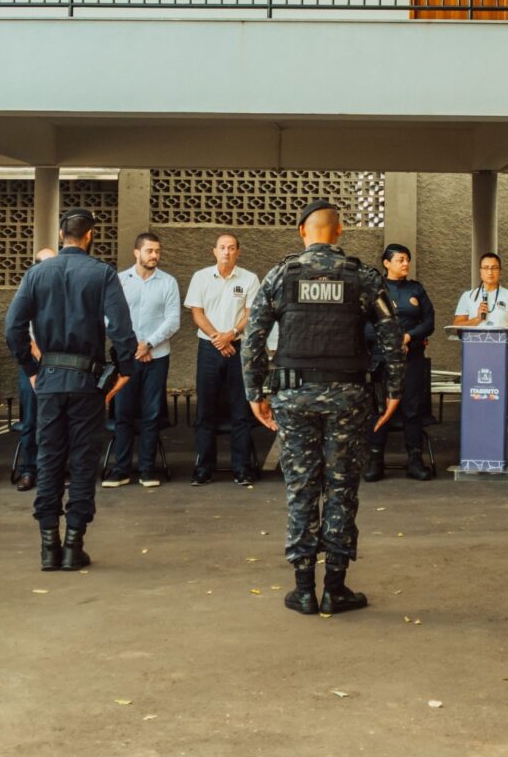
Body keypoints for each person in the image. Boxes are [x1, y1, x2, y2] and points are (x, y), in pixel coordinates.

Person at [242, 200, 403, 616]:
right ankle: (335, 587)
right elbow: (392, 336)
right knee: (342, 488)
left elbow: (253, 339)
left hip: (292, 398)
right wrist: (394, 391)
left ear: (302, 233)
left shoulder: (281, 275)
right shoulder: (362, 276)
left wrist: (255, 393)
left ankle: (303, 590)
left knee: (301, 487)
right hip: (349, 399)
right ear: (340, 231)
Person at [4, 209, 136, 572]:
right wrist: (125, 369)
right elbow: (122, 330)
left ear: (61, 233)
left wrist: (31, 368)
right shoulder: (103, 273)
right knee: (82, 461)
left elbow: (12, 327)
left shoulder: (36, 273)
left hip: (48, 380)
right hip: (86, 382)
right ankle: (74, 545)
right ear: (90, 235)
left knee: (48, 460)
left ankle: (49, 546)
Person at [185, 234, 262, 486]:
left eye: (231, 248)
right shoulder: (201, 277)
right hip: (209, 348)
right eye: (222, 248)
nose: (226, 252)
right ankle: (204, 468)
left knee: (241, 410)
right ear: (214, 251)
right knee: (205, 409)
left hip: (238, 347)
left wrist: (231, 335)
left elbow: (251, 314)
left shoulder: (249, 279)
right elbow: (197, 312)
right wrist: (217, 338)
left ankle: (241, 468)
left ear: (238, 252)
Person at [105, 232, 179, 488]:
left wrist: (147, 343)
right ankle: (121, 469)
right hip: (127, 357)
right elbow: (109, 318)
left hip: (157, 356)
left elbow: (173, 320)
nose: (154, 256)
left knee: (152, 413)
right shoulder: (118, 280)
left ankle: (148, 469)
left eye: (157, 251)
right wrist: (132, 345)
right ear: (137, 253)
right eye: (149, 251)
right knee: (123, 413)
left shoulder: (168, 282)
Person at [371, 244, 437, 481]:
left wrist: (409, 337)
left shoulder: (416, 289)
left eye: (407, 259)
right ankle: (375, 461)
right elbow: (365, 325)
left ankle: (415, 461)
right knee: (379, 409)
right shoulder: (375, 289)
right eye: (400, 260)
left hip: (412, 359)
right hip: (381, 359)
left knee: (412, 408)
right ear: (386, 263)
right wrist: (392, 342)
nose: (406, 264)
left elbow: (429, 322)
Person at [10, 246, 54, 492]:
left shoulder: (63, 290)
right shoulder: (26, 290)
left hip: (58, 364)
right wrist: (34, 349)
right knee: (31, 420)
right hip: (33, 364)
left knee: (57, 421)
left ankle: (57, 469)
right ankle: (29, 470)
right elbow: (17, 326)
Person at [452, 252, 508, 386]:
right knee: (475, 391)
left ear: (500, 271)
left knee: (501, 393)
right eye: (485, 268)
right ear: (480, 271)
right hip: (474, 350)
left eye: (494, 268)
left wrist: (501, 331)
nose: (490, 272)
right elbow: (457, 325)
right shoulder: (468, 296)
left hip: (503, 351)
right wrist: (477, 319)